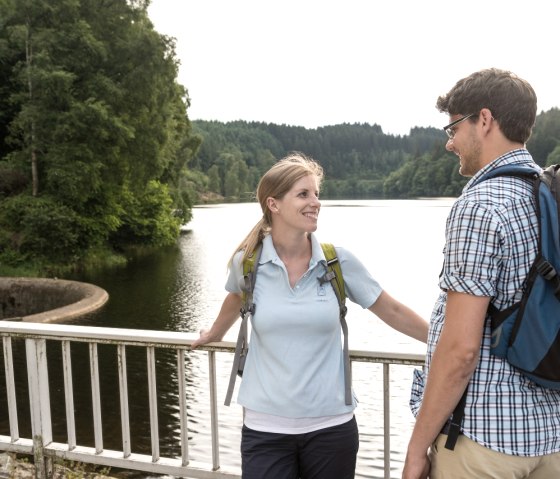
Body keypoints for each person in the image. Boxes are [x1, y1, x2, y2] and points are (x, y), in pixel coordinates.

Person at [192, 151, 428, 479]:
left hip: (331, 427)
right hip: (265, 429)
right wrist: (216, 333)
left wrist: (444, 340)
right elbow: (236, 297)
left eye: (317, 194)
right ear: (273, 204)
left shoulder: (337, 262)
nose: (315, 202)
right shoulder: (247, 264)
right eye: (303, 194)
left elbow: (390, 309)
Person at [402, 68, 560, 479]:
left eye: (454, 126)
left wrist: (418, 448)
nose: (449, 141)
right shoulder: (550, 195)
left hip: (484, 441)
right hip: (551, 436)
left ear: (484, 120)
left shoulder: (480, 205)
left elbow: (460, 351)